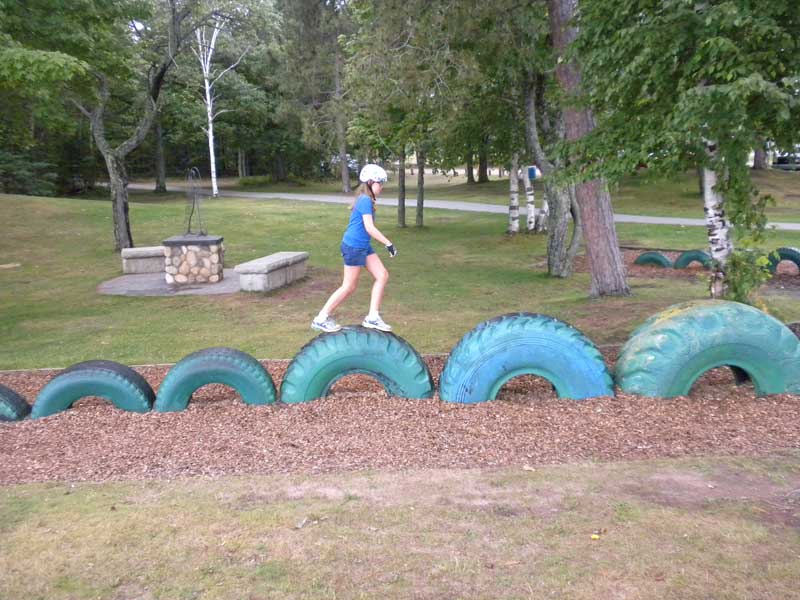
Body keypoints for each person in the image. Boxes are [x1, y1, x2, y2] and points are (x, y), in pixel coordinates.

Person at [311, 164, 398, 333]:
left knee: (382, 275)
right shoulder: (365, 199)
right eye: (380, 183)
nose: (382, 187)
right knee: (349, 286)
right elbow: (369, 228)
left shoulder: (367, 199)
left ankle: (372, 317)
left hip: (362, 246)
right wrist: (388, 243)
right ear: (371, 182)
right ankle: (321, 319)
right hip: (354, 247)